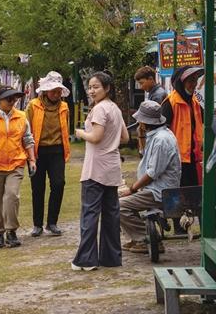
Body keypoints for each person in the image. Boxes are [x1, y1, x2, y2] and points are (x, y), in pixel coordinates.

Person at [72, 71, 129, 270]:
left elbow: (95, 137)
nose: (91, 91)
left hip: (95, 168)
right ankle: (111, 258)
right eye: (90, 87)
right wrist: (110, 141)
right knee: (111, 214)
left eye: (96, 87)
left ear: (107, 88)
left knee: (90, 213)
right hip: (112, 167)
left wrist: (81, 133)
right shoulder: (115, 108)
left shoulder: (99, 109)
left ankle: (86, 260)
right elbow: (125, 137)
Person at [0, 86, 36, 249]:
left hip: (16, 164)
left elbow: (28, 139)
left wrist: (32, 160)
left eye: (14, 98)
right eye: (9, 98)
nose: (12, 101)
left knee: (12, 196)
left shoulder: (21, 116)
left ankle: (11, 231)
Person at [119, 101, 181, 253]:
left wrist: (132, 189)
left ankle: (143, 239)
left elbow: (152, 173)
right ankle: (137, 237)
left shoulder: (161, 140)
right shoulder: (158, 135)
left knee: (119, 205)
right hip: (155, 189)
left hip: (159, 191)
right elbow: (145, 158)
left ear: (144, 122)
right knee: (120, 200)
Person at [26, 71, 71, 238]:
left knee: (59, 184)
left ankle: (52, 222)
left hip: (57, 150)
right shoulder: (33, 105)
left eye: (59, 91)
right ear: (45, 91)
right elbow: (27, 129)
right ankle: (37, 224)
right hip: (37, 151)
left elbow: (66, 128)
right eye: (53, 91)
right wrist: (29, 153)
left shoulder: (64, 107)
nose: (56, 94)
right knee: (37, 188)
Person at [160, 66, 204, 188]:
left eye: (195, 80)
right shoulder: (170, 103)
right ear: (181, 83)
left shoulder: (194, 102)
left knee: (192, 190)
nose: (194, 84)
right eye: (191, 81)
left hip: (193, 157)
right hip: (176, 159)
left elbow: (206, 119)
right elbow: (162, 132)